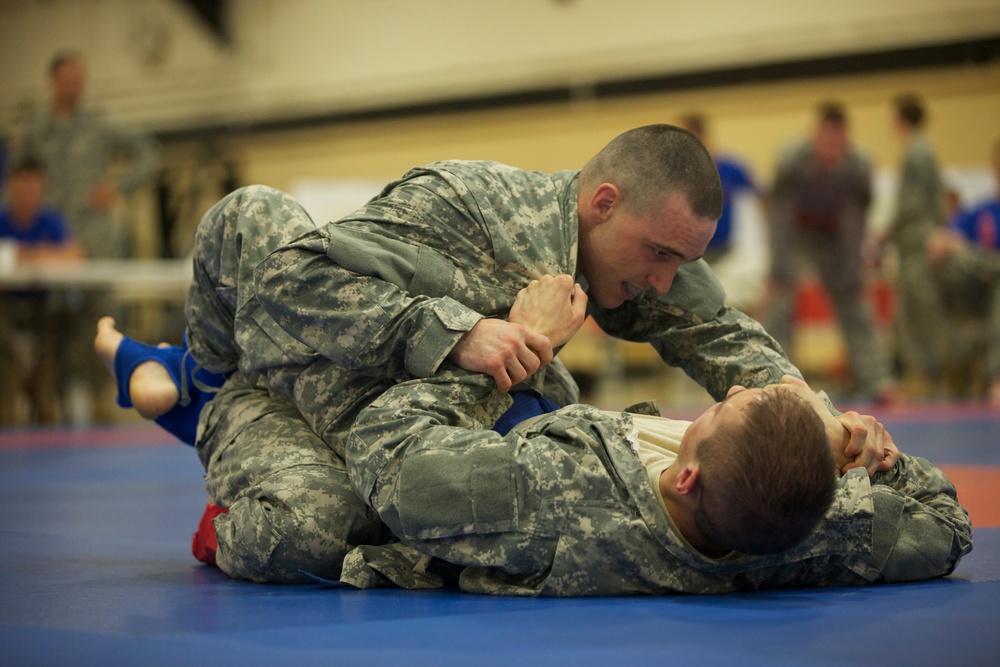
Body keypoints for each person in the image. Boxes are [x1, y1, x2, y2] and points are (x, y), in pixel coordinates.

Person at [97, 125, 887, 583]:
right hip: (308, 393)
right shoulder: (466, 203)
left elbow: (723, 335)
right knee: (316, 530)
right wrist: (455, 334)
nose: (662, 280)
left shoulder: (640, 255)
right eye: (656, 254)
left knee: (518, 443)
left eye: (679, 263)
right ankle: (205, 393)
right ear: (602, 203)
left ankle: (187, 389)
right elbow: (288, 284)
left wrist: (816, 423)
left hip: (412, 426)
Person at [96, 277, 970, 596]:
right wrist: (879, 450)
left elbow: (386, 442)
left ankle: (199, 391)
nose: (728, 390)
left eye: (719, 410)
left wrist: (516, 338)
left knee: (315, 517)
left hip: (404, 473)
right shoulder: (814, 527)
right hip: (551, 428)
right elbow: (946, 525)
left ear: (687, 477)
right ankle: (179, 381)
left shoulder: (547, 501)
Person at [9, 50, 162, 423]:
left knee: (99, 312)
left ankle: (98, 395)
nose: (74, 85)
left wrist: (117, 186)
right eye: (66, 78)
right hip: (48, 237)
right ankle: (44, 397)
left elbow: (148, 153)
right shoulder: (33, 131)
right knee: (47, 318)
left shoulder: (99, 126)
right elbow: (15, 177)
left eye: (79, 78)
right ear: (52, 82)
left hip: (93, 239)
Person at [765, 102, 896, 402]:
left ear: (846, 139)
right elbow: (780, 214)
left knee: (854, 300)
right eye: (825, 140)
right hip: (798, 233)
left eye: (838, 142)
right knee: (781, 299)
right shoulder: (793, 159)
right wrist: (778, 268)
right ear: (815, 136)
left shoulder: (858, 166)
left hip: (837, 237)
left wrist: (852, 269)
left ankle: (878, 379)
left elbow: (856, 218)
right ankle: (776, 377)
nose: (831, 148)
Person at [0, 159, 84, 424]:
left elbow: (75, 256)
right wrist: (40, 254)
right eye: (21, 185)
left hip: (44, 309)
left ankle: (47, 408)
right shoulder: (3, 220)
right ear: (10, 187)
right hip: (6, 309)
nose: (27, 191)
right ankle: (7, 410)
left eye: (33, 186)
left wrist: (24, 254)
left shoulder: (51, 220)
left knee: (57, 342)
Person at [883, 94, 951, 397]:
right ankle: (928, 374)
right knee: (913, 310)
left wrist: (886, 230)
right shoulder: (924, 149)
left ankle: (931, 375)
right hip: (917, 241)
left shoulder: (916, 152)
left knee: (918, 310)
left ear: (901, 119)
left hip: (916, 243)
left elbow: (912, 204)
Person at [927, 137, 1000, 407]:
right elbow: (947, 239)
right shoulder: (980, 213)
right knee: (951, 255)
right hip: (977, 294)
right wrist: (942, 240)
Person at [679, 113, 769, 313]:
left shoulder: (732, 170)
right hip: (693, 258)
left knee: (739, 301)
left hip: (729, 253)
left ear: (702, 137)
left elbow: (760, 204)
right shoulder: (676, 177)